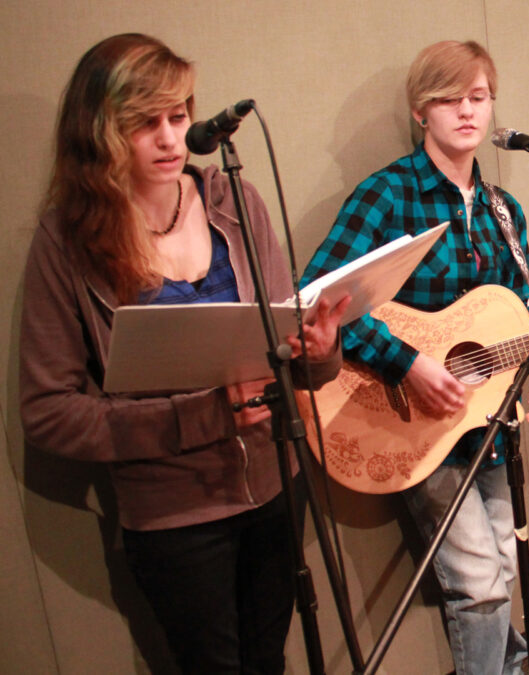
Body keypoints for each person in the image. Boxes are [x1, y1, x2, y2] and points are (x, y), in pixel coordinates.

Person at [301, 40, 529, 674]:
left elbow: (526, 323)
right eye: (449, 98)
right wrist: (408, 364)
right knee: (480, 582)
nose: (466, 111)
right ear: (421, 111)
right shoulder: (389, 195)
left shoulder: (505, 212)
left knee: (504, 568)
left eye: (478, 97)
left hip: (485, 422)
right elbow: (320, 300)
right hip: (404, 420)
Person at [18, 34, 346, 674]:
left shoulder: (234, 199)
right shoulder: (67, 241)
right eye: (145, 123)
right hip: (174, 518)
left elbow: (290, 351)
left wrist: (319, 353)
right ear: (100, 132)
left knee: (271, 662)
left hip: (277, 484)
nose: (171, 138)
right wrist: (202, 417)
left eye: (177, 115)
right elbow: (48, 410)